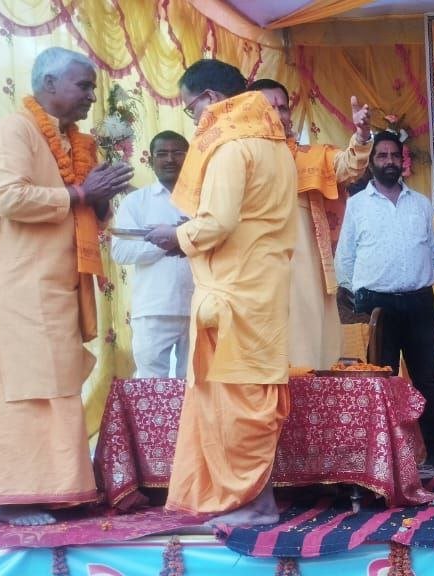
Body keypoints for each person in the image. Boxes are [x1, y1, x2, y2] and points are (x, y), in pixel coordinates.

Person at [0, 47, 134, 525]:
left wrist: (100, 197)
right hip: (16, 288)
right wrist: (82, 193)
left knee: (57, 390)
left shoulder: (76, 141)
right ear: (49, 84)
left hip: (55, 286)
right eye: (84, 86)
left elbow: (87, 212)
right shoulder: (10, 132)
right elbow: (10, 198)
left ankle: (58, 489)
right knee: (22, 394)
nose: (91, 97)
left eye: (93, 88)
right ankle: (16, 498)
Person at [145, 59, 296, 526]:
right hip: (259, 287)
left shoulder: (232, 148)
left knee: (236, 399)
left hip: (236, 291)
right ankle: (254, 499)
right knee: (250, 394)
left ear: (211, 99)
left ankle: (253, 504)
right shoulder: (275, 145)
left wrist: (177, 237)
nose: (195, 121)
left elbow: (218, 222)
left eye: (192, 110)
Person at [336, 131, 434, 468]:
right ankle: (384, 455)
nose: (389, 161)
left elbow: (432, 253)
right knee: (379, 380)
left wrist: (413, 281)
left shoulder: (421, 203)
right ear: (371, 163)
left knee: (427, 377)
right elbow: (346, 257)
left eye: (393, 156)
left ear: (403, 161)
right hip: (376, 306)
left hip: (418, 302)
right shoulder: (357, 206)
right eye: (382, 156)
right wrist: (356, 298)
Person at [246, 78, 372, 371]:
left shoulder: (310, 158)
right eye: (270, 107)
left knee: (307, 352)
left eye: (283, 108)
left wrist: (362, 136)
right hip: (253, 277)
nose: (279, 114)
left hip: (304, 275)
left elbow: (349, 164)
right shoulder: (238, 161)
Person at [111, 131, 193, 378]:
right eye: (162, 154)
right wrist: (168, 241)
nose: (170, 159)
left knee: (196, 388)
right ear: (151, 160)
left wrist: (183, 236)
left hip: (200, 306)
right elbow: (121, 251)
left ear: (190, 158)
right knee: (150, 385)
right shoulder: (136, 202)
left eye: (178, 153)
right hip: (154, 307)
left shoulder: (205, 201)